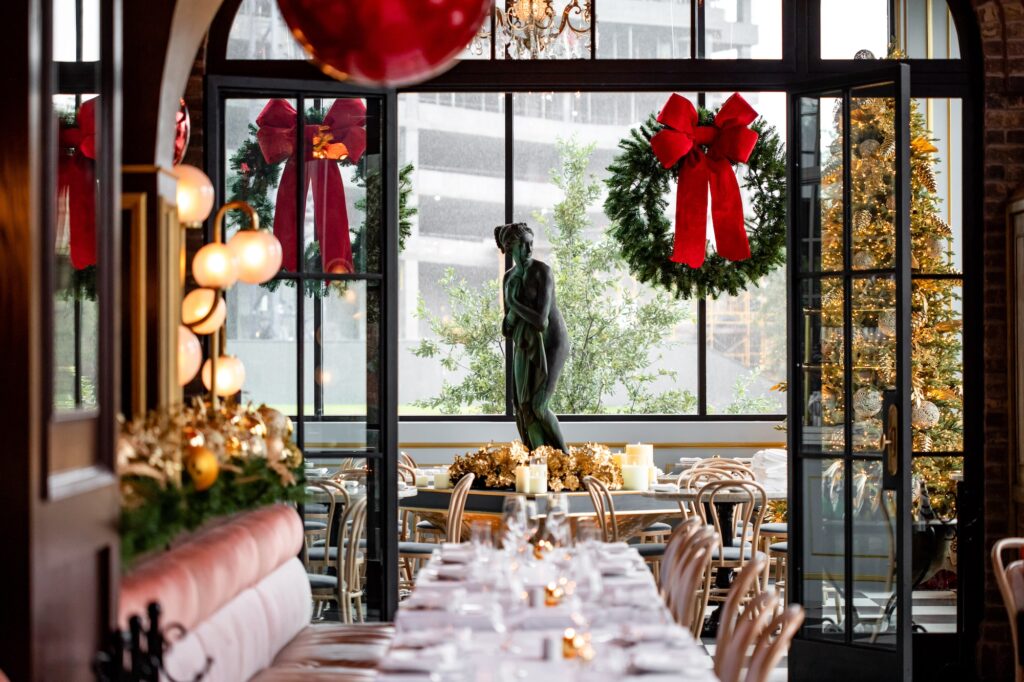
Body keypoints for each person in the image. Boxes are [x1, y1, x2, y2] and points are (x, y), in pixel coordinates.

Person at [495, 222, 569, 453]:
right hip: (526, 346)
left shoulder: (542, 272)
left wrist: (515, 304)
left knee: (539, 404)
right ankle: (539, 459)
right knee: (524, 407)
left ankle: (564, 458)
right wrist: (508, 320)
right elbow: (508, 330)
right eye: (523, 245)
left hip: (552, 343)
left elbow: (540, 321)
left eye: (531, 243)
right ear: (510, 248)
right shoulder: (509, 279)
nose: (529, 249)